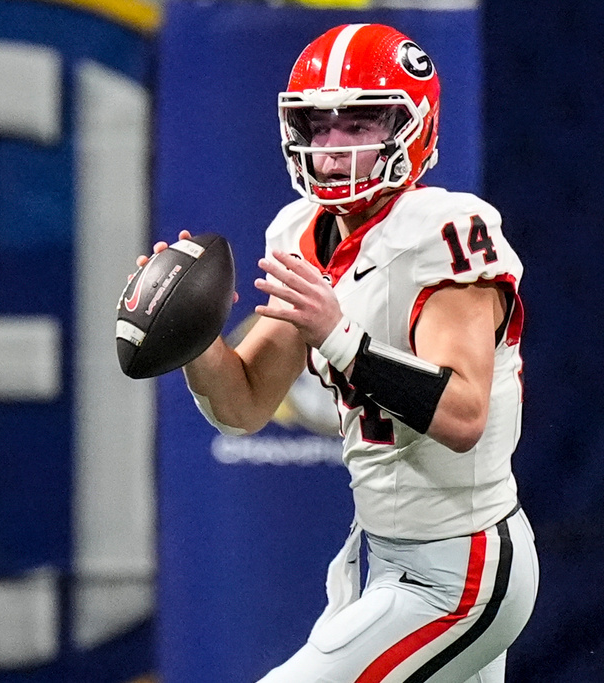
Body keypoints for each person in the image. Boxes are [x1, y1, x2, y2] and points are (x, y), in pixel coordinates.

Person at [139, 23, 539, 683]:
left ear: (415, 127)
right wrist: (193, 337)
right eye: (318, 126)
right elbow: (243, 402)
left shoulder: (443, 231)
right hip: (376, 554)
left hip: (458, 568)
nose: (331, 147)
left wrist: (339, 338)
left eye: (358, 124)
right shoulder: (301, 231)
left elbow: (463, 415)